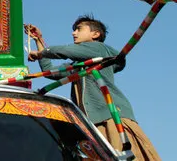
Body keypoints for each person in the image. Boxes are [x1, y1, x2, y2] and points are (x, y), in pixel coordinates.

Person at [25, 15, 160, 161]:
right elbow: (50, 71)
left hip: (108, 116)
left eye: (79, 29)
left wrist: (41, 53)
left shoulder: (100, 49)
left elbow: (65, 51)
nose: (73, 33)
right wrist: (38, 40)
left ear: (95, 34)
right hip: (90, 120)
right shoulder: (80, 64)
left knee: (116, 153)